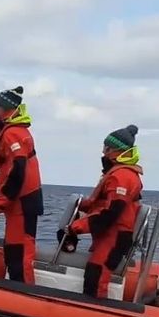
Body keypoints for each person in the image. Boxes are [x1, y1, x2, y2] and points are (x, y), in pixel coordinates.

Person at [64, 124, 144, 299]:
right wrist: (81, 206)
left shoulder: (121, 177)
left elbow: (110, 214)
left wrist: (76, 227)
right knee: (94, 275)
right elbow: (102, 205)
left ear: (115, 150)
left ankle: (95, 316)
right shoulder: (121, 174)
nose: (103, 153)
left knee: (96, 278)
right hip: (111, 236)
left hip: (114, 236)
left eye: (106, 149)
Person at [0, 86, 44, 284]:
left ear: (6, 110)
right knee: (13, 253)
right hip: (19, 206)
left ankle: (26, 301)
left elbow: (17, 174)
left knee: (20, 256)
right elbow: (6, 174)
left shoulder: (12, 134)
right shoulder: (15, 133)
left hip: (22, 205)